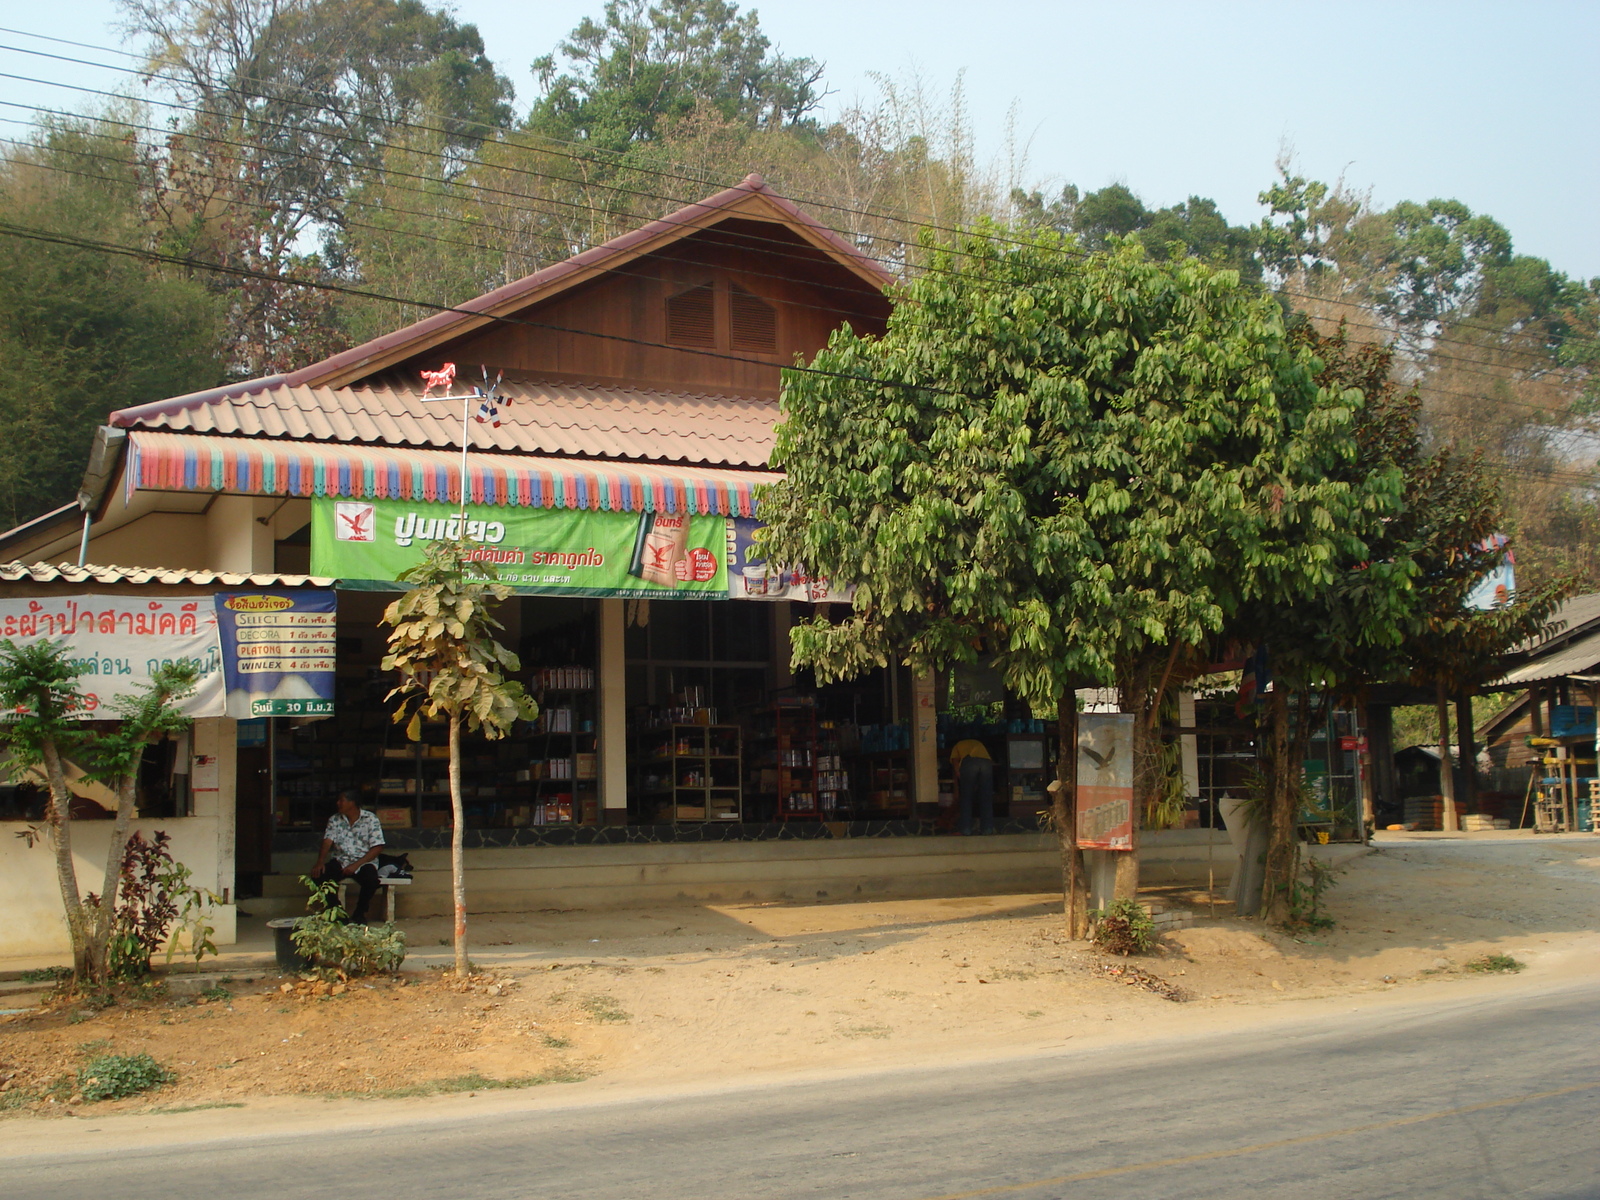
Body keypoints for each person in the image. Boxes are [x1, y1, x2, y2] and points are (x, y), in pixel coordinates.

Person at [311, 790, 386, 923]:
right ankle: (338, 912)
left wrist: (356, 865)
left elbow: (378, 847)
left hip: (364, 861)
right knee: (319, 876)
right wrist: (320, 861)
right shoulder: (335, 819)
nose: (338, 803)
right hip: (341, 860)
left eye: (342, 800)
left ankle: (360, 913)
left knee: (371, 880)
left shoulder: (370, 819)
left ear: (352, 803)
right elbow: (327, 841)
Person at [949, 738, 995, 835]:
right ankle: (987, 829)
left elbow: (955, 762)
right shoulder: (978, 743)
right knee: (986, 797)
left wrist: (961, 778)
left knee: (966, 798)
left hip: (969, 762)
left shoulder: (957, 745)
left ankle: (965, 829)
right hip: (986, 763)